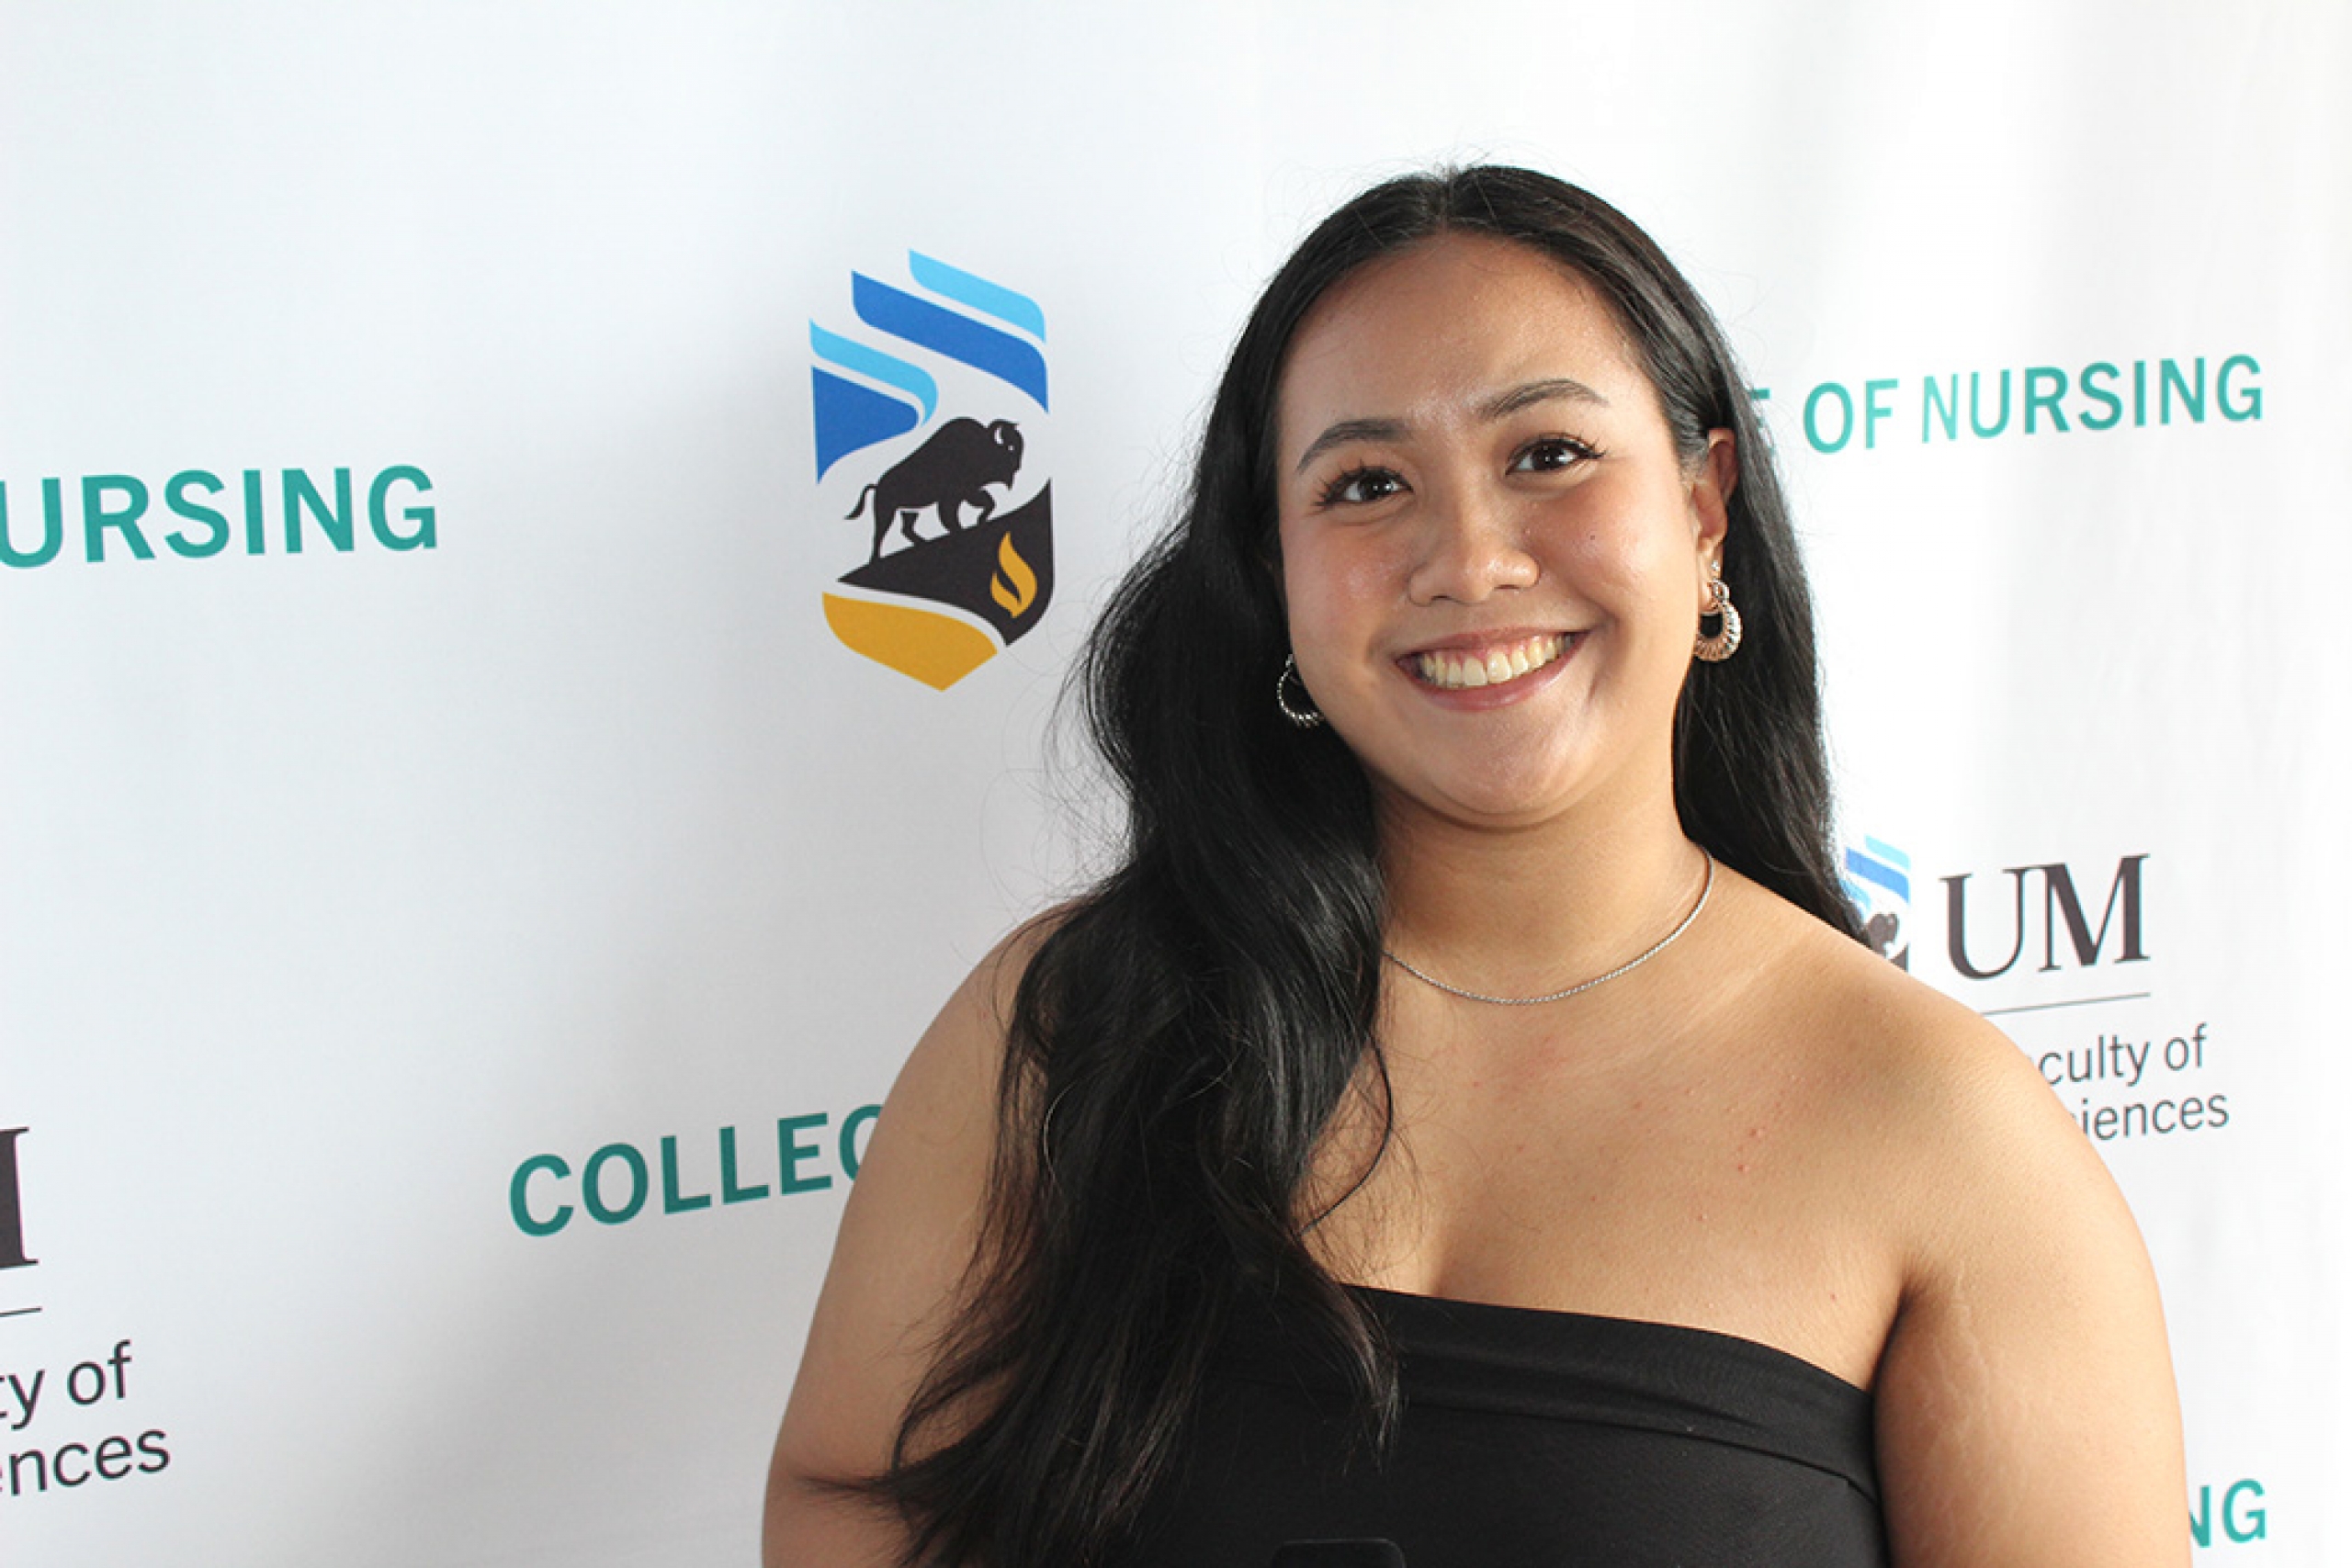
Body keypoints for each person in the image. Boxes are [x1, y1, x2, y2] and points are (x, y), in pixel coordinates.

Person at [762, 166, 2189, 1567]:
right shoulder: (1069, 1025)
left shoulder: (1948, 1131)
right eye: (1367, 484)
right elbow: (850, 1499)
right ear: (1275, 571)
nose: (1468, 560)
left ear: (1704, 507)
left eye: (1549, 455)